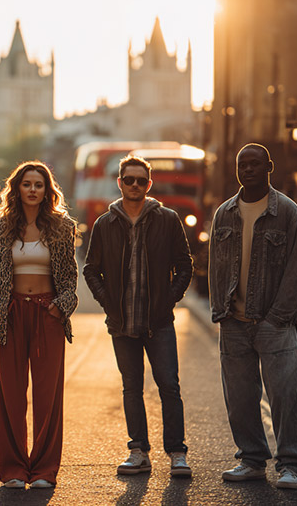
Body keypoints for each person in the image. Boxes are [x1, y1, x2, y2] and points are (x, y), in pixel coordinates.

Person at [208, 143, 297, 489]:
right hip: (234, 322)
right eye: (242, 164)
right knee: (239, 397)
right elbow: (215, 266)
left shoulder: (288, 212)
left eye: (255, 163)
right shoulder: (224, 213)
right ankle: (251, 459)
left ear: (269, 166)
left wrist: (278, 316)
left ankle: (291, 465)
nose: (248, 169)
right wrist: (220, 311)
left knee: (285, 394)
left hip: (274, 322)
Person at [83, 155, 193, 478]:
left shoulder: (168, 219)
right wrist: (108, 304)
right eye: (128, 180)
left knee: (169, 386)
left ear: (149, 184)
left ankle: (176, 453)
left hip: (158, 322)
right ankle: (138, 451)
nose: (134, 185)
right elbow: (91, 270)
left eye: (140, 180)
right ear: (119, 183)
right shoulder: (105, 223)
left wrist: (168, 300)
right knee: (131, 387)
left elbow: (185, 265)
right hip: (122, 322)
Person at [0, 161, 78, 489]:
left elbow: (69, 277)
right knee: (10, 395)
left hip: (47, 314)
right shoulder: (1, 227)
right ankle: (14, 469)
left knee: (48, 394)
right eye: (27, 184)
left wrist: (60, 307)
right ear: (17, 189)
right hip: (11, 314)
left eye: (39, 184)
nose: (32, 189)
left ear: (47, 190)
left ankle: (45, 469)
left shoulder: (63, 227)